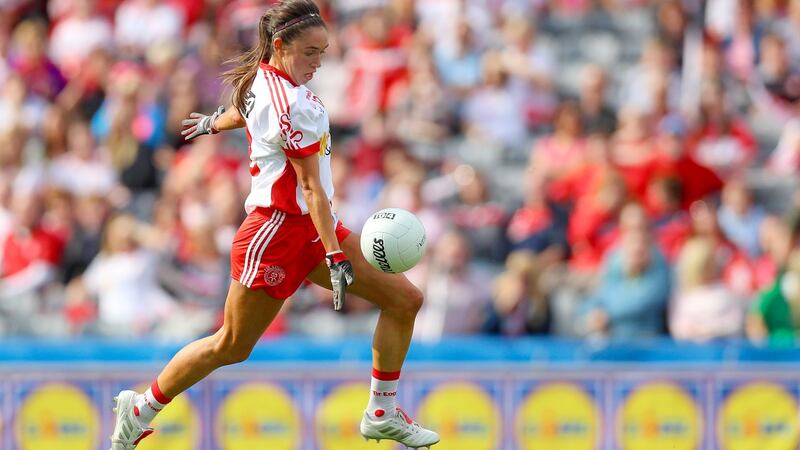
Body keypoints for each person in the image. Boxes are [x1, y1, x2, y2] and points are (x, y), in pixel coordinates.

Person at [109, 1, 439, 448]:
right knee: (231, 344)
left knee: (404, 299)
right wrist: (335, 254)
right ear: (280, 46)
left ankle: (381, 412)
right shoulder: (291, 104)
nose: (317, 63)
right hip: (276, 234)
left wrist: (213, 122)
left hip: (311, 227)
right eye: (310, 53)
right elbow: (309, 187)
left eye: (322, 53)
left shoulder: (267, 78)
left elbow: (245, 109)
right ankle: (140, 408)